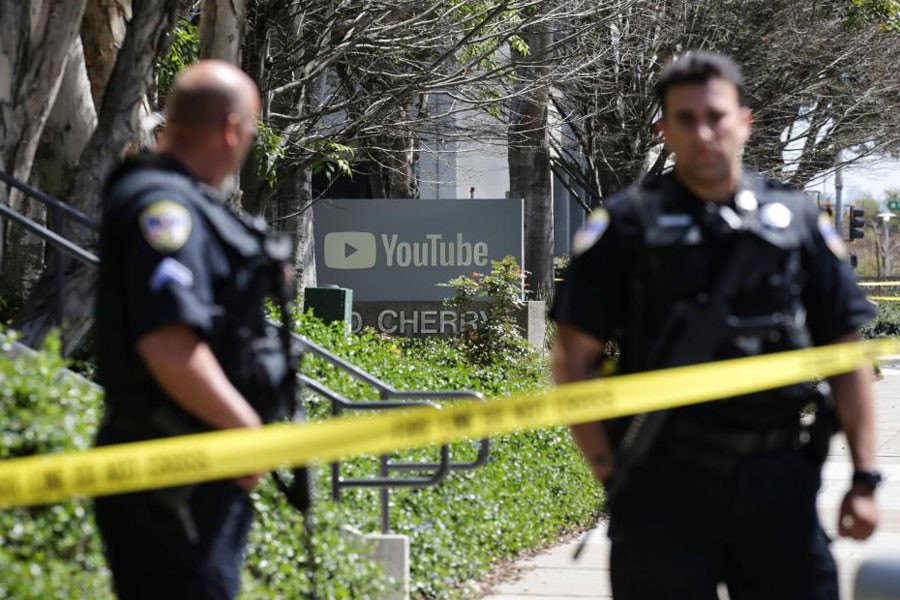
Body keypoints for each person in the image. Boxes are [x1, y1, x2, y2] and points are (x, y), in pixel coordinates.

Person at [551, 51, 880, 599]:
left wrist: (864, 478)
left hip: (779, 479)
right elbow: (571, 360)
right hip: (662, 484)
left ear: (744, 122)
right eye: (685, 118)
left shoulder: (797, 220)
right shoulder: (626, 225)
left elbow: (848, 356)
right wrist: (614, 477)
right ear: (664, 130)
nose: (703, 131)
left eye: (716, 115)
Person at [93, 60, 293, 599]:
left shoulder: (181, 200)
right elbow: (169, 345)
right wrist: (245, 431)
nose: (245, 146)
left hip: (189, 469)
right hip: (171, 474)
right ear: (231, 129)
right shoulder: (163, 208)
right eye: (250, 134)